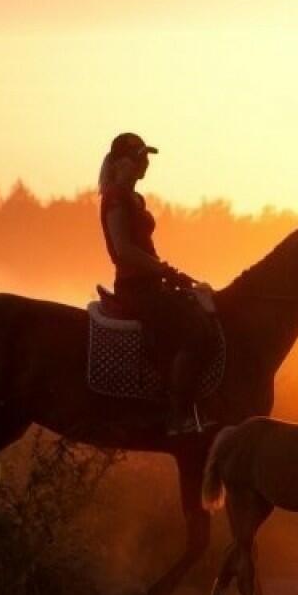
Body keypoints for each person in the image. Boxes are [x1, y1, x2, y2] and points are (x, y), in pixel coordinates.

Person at [97, 132, 212, 434]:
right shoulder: (116, 198)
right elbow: (124, 249)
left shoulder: (136, 198)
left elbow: (143, 246)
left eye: (145, 157)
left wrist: (165, 273)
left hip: (151, 282)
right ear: (122, 162)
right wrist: (165, 270)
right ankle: (178, 415)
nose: (145, 163)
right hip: (136, 288)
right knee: (196, 331)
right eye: (139, 158)